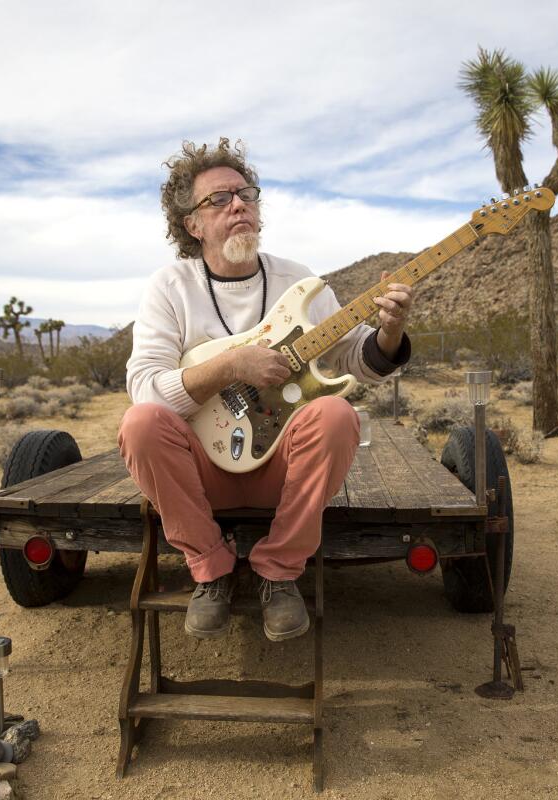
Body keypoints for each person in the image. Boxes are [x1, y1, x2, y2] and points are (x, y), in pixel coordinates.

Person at [118, 138, 413, 641]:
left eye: (246, 194)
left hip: (281, 468)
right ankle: (210, 567)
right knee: (140, 424)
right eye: (218, 199)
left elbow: (352, 360)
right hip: (202, 471)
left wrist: (390, 330)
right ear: (192, 224)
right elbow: (145, 389)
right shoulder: (169, 287)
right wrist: (233, 365)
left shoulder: (298, 281)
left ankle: (279, 570)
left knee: (337, 416)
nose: (238, 205)